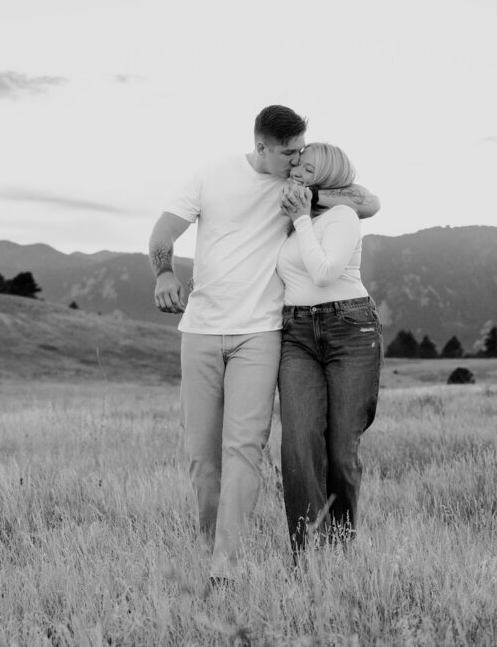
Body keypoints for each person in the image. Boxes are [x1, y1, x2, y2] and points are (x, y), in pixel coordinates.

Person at [149, 106, 378, 585]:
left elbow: (369, 202)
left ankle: (225, 566)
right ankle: (209, 543)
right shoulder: (210, 175)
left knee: (245, 449)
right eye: (289, 153)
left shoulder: (296, 187)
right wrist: (164, 271)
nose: (296, 161)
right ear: (261, 147)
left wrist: (310, 194)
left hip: (261, 332)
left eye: (302, 152)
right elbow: (164, 230)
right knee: (201, 456)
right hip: (201, 329)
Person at [276, 142, 383, 556]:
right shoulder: (291, 220)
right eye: (297, 165)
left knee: (340, 452)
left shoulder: (342, 216)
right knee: (298, 444)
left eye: (308, 167)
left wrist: (303, 218)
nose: (297, 171)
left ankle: (340, 548)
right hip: (296, 332)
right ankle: (308, 556)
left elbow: (324, 273)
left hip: (349, 328)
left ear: (327, 175)